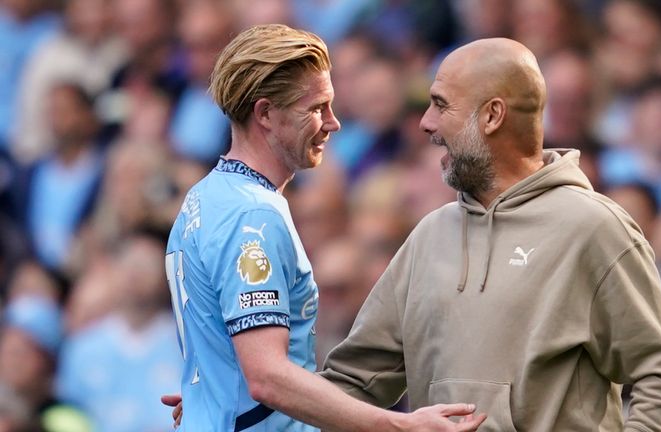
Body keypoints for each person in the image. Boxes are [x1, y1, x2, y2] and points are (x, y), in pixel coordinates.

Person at [319, 38, 661, 430]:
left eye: (441, 104)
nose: (425, 122)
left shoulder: (593, 228)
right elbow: (352, 383)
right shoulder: (429, 235)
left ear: (492, 115)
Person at [162, 24, 485, 432]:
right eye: (316, 109)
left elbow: (230, 358)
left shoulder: (204, 197)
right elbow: (267, 378)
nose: (333, 123)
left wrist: (210, 394)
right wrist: (402, 426)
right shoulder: (252, 217)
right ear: (265, 113)